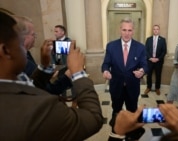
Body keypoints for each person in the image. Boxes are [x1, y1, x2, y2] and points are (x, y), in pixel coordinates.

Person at [0, 11, 103, 140]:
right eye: (20, 43)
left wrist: (44, 66)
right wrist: (78, 73)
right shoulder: (39, 109)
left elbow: (32, 87)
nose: (26, 50)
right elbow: (92, 119)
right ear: (5, 51)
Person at [101, 17, 147, 128]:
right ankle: (116, 132)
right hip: (116, 86)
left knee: (132, 112)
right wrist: (106, 71)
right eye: (124, 30)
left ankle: (131, 133)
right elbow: (106, 63)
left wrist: (142, 71)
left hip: (132, 86)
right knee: (116, 111)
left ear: (133, 31)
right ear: (120, 30)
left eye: (129, 30)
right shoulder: (111, 46)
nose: (127, 33)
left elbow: (145, 64)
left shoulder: (140, 47)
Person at [13, 15, 73, 95]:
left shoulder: (66, 41)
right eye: (33, 35)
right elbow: (40, 88)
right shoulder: (21, 60)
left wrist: (45, 69)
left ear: (63, 32)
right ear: (22, 37)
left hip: (62, 67)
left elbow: (70, 49)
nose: (35, 37)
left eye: (56, 31)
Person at [144, 25, 167, 95]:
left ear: (159, 30)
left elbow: (164, 51)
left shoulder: (163, 40)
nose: (156, 30)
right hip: (149, 61)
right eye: (154, 29)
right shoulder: (148, 39)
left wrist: (158, 59)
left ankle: (157, 88)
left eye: (157, 29)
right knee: (149, 75)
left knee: (158, 75)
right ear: (152, 30)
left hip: (158, 61)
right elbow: (145, 50)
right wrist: (150, 58)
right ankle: (148, 87)